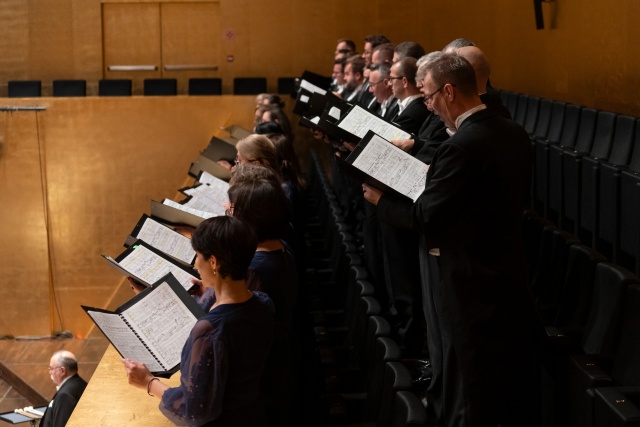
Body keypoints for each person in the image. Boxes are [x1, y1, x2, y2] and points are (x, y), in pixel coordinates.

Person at [364, 53, 542, 427]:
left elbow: (427, 215)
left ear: (448, 91)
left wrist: (380, 200)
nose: (427, 105)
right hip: (503, 268)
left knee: (468, 379)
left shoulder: (462, 146)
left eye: (428, 96)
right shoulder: (512, 130)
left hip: (468, 276)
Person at [122, 216, 275, 427]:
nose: (195, 264)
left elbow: (193, 411)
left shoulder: (209, 332)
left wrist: (148, 381)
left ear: (213, 262)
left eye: (197, 256)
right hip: (254, 414)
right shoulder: (264, 303)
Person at [228, 177, 299, 427]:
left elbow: (232, 318)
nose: (230, 214)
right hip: (277, 358)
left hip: (265, 372)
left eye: (233, 209)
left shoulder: (257, 268)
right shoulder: (279, 246)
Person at [40, 350, 87, 427]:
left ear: (62, 370)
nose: (50, 372)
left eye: (51, 368)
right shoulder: (81, 384)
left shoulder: (65, 395)